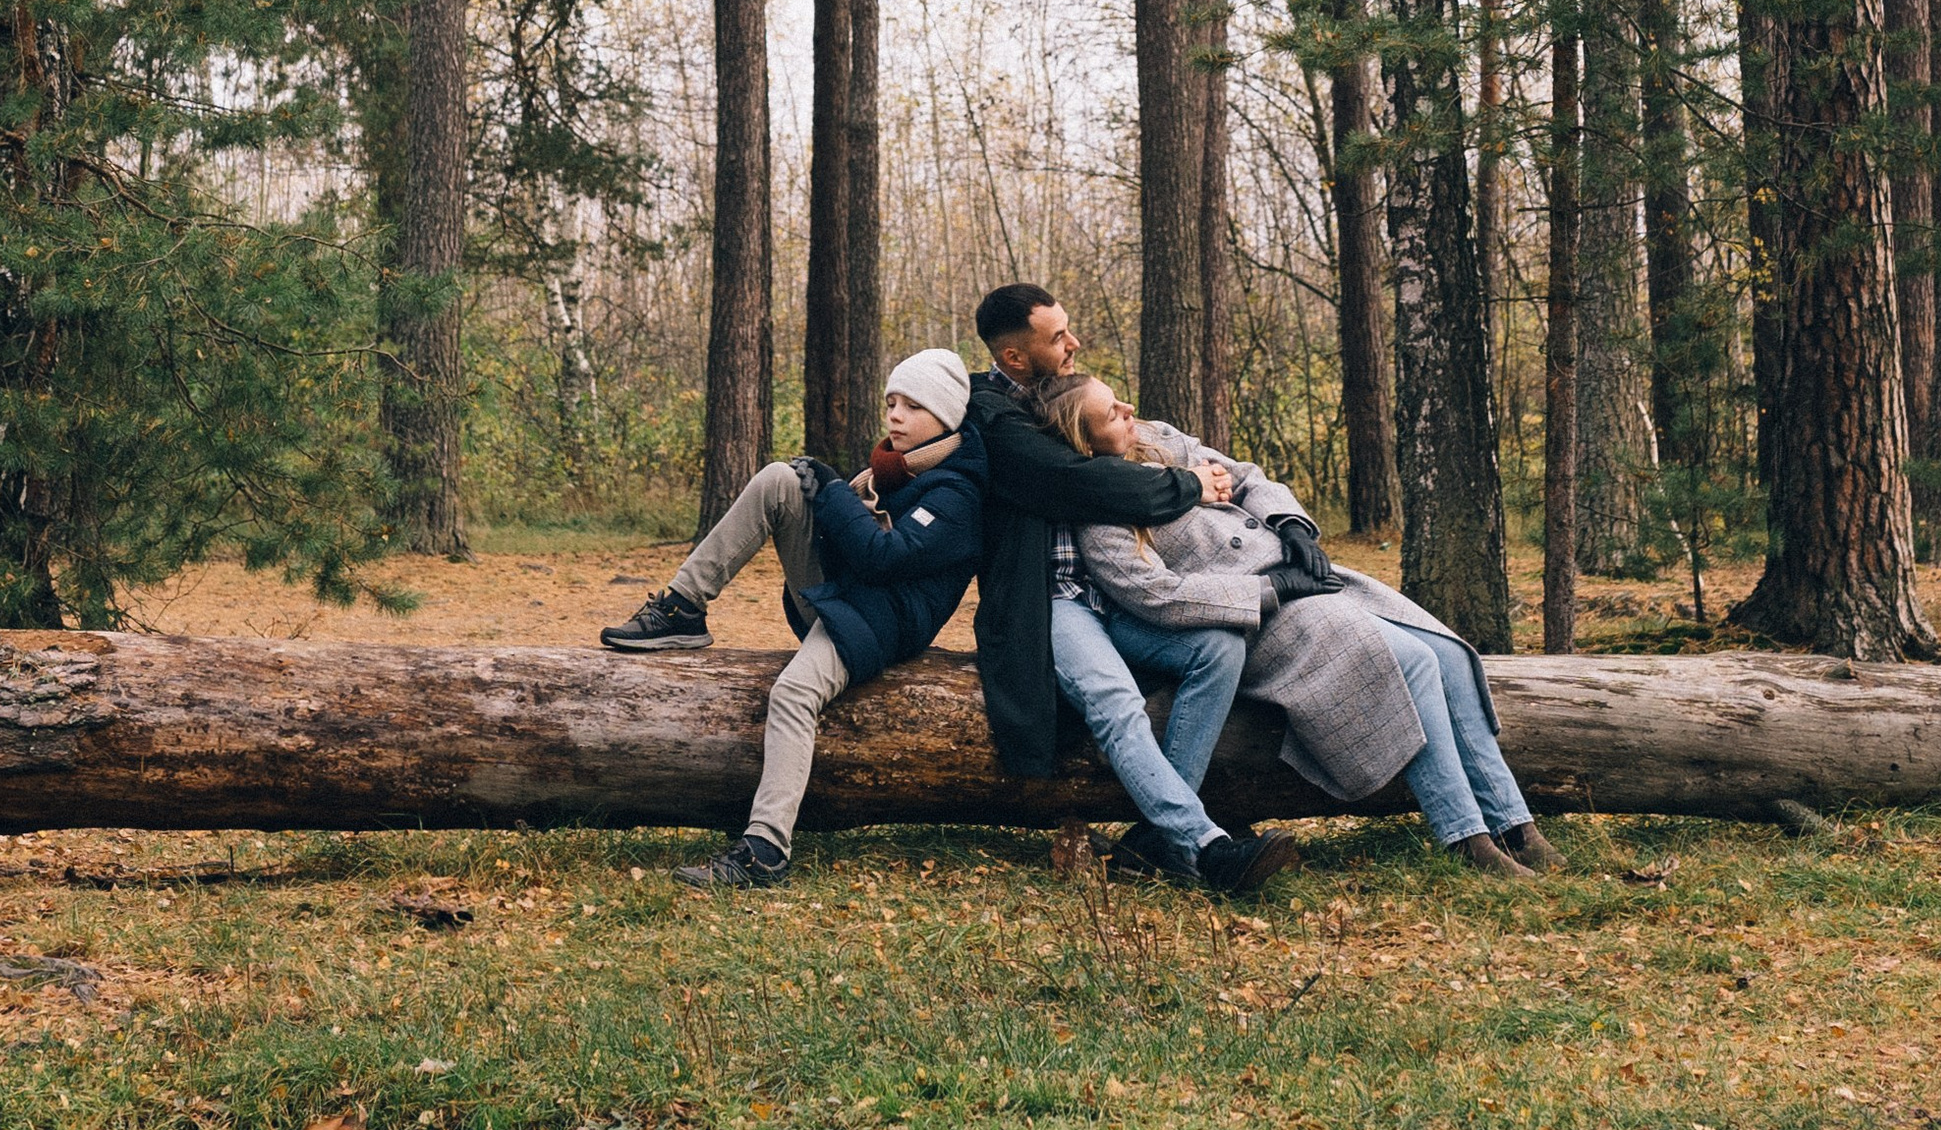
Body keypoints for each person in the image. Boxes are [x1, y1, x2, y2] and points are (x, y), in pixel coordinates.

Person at [1034, 369, 1563, 878]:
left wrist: (1291, 527)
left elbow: (1245, 476)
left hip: (1302, 573)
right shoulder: (1099, 513)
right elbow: (1154, 594)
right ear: (1086, 442)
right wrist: (1268, 590)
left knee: (1446, 653)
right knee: (1411, 662)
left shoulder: (1156, 440)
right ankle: (1465, 835)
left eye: (1120, 399)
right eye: (1112, 414)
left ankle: (1516, 824)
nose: (1130, 411)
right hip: (1260, 614)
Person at [598, 350, 986, 890]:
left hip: (880, 628)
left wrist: (829, 492)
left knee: (793, 695)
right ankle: (683, 606)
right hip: (847, 599)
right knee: (781, 479)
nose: (895, 415)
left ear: (946, 417)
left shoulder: (957, 494)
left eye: (912, 405)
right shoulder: (893, 472)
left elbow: (884, 557)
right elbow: (855, 544)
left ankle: (766, 850)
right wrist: (820, 493)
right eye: (891, 402)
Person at [961, 284, 1298, 895]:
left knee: (1219, 648)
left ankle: (1154, 840)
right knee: (1113, 700)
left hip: (1116, 592)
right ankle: (1207, 846)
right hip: (1055, 599)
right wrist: (1188, 485)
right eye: (1057, 336)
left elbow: (1114, 463)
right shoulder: (992, 414)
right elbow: (1083, 482)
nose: (1074, 342)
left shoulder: (1069, 397)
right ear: (1014, 356)